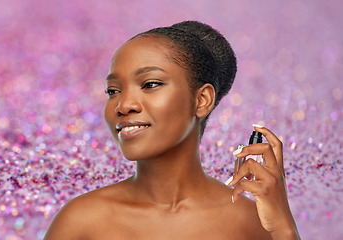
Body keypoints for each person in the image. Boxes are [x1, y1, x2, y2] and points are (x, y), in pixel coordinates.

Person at [44, 21, 300, 239]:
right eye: (113, 91)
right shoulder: (80, 222)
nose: (123, 105)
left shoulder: (253, 223)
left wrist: (283, 230)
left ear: (202, 100)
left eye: (150, 84)